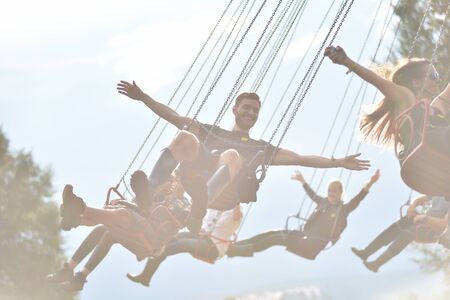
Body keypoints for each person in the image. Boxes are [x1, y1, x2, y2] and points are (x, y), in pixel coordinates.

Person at [115, 81, 370, 232]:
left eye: (255, 110)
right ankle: (147, 192)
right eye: (246, 107)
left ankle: (200, 207)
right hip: (197, 181)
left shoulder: (260, 148)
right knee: (185, 136)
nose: (250, 112)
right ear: (235, 109)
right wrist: (144, 97)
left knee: (232, 154)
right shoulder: (211, 131)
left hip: (225, 192)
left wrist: (339, 162)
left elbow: (300, 158)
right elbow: (174, 117)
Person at [48, 171, 190, 291]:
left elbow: (176, 219)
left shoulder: (184, 203)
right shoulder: (159, 194)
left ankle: (78, 211)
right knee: (105, 229)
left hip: (153, 238)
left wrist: (167, 200)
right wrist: (158, 191)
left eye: (178, 180)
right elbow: (140, 205)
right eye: (173, 179)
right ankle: (73, 271)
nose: (174, 182)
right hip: (140, 224)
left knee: (122, 215)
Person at [226, 169, 380, 260]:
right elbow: (312, 195)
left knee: (275, 239)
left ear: (340, 193)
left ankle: (235, 251)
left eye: (335, 191)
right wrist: (303, 181)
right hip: (303, 237)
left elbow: (358, 198)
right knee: (272, 233)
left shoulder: (343, 210)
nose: (331, 193)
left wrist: (371, 183)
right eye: (330, 190)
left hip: (312, 245)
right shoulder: (323, 202)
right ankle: (236, 246)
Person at [324, 45, 450, 154]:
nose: (438, 80)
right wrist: (347, 61)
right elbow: (378, 81)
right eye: (433, 76)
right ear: (416, 83)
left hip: (439, 151)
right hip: (424, 148)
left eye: (437, 75)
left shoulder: (435, 109)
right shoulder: (406, 97)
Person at [125, 205, 243, 287]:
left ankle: (146, 270)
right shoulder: (215, 208)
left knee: (182, 244)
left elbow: (237, 217)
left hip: (213, 247)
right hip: (203, 238)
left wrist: (235, 201)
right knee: (171, 238)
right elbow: (207, 226)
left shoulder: (236, 211)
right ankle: (146, 275)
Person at [351, 195, 449, 272]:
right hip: (422, 221)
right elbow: (423, 197)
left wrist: (425, 218)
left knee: (406, 234)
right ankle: (366, 252)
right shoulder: (439, 190)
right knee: (399, 225)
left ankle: (376, 264)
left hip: (432, 230)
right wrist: (412, 205)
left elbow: (445, 224)